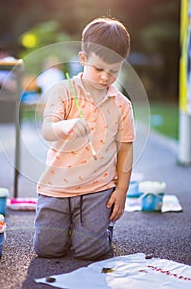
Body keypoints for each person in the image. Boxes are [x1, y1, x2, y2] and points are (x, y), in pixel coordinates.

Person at [34, 17, 136, 260]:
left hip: (97, 190)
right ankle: (75, 230)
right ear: (82, 59)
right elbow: (47, 130)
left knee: (91, 252)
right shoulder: (63, 91)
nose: (105, 77)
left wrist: (121, 190)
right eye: (98, 69)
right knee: (47, 249)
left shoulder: (122, 105)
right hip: (56, 187)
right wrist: (65, 126)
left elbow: (125, 149)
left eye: (114, 71)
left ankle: (97, 231)